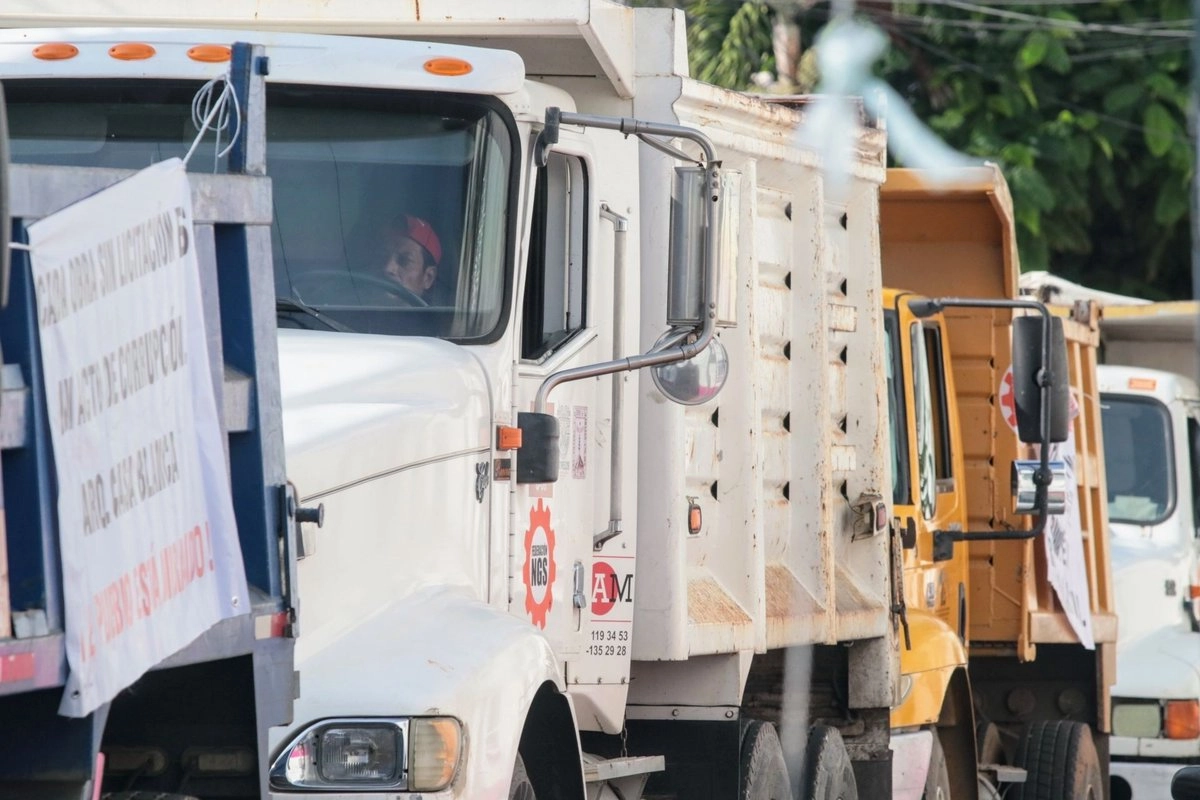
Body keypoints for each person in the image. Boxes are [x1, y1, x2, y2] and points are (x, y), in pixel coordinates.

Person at [376, 212, 442, 300]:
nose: (388, 268)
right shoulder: (356, 305)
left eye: (405, 260)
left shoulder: (446, 314)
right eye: (384, 256)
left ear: (428, 278)